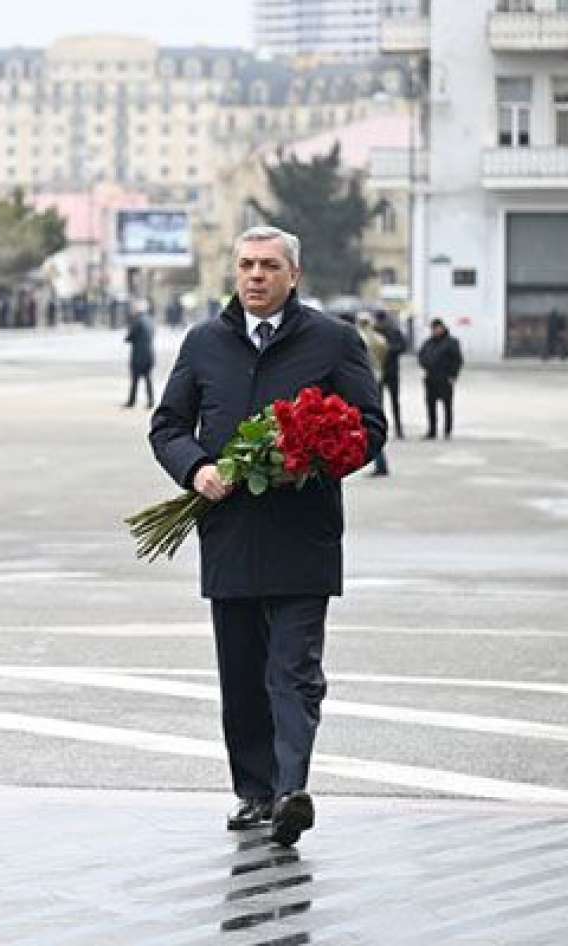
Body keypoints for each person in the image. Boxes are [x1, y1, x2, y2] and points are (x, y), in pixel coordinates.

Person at [149, 226, 385, 847]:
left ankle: (291, 791)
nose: (256, 276)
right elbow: (168, 425)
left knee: (295, 670)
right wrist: (195, 467)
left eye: (269, 266)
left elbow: (369, 428)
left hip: (303, 534)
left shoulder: (333, 342)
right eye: (247, 265)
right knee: (243, 672)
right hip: (227, 532)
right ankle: (253, 791)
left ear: (293, 276)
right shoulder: (204, 343)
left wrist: (312, 459)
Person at [356, 313, 390, 476]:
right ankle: (381, 464)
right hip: (378, 378)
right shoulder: (380, 339)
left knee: (368, 423)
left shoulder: (358, 338)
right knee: (376, 419)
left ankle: (380, 463)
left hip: (365, 382)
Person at [417, 318, 463, 439]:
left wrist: (453, 375)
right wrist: (425, 364)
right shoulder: (428, 342)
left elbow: (457, 360)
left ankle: (447, 431)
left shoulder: (451, 342)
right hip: (430, 378)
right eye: (433, 328)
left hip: (445, 378)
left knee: (447, 406)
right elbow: (421, 356)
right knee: (430, 405)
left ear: (442, 328)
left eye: (437, 328)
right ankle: (432, 430)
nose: (435, 331)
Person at [373, 310, 407, 439]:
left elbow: (402, 346)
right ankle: (380, 430)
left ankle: (398, 429)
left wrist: (388, 350)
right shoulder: (374, 333)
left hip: (391, 371)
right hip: (378, 371)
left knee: (394, 402)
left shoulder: (394, 332)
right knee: (378, 403)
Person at [123, 311, 155, 409]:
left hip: (138, 355)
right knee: (148, 379)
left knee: (135, 380)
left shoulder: (137, 322)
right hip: (149, 354)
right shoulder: (150, 321)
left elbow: (128, 337)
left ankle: (132, 401)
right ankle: (151, 400)